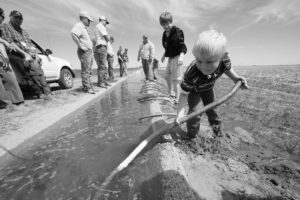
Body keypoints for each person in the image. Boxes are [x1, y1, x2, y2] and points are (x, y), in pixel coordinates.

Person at [175, 29, 248, 141]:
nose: (203, 67)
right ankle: (191, 137)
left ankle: (219, 135)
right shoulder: (192, 73)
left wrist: (235, 78)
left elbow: (226, 69)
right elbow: (184, 94)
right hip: (194, 92)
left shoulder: (225, 61)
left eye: (209, 62)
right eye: (199, 61)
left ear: (222, 56)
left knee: (213, 111)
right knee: (194, 114)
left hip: (208, 88)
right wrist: (180, 113)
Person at [0, 10, 50, 98]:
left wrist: (37, 55)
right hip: (15, 53)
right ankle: (39, 92)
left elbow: (30, 45)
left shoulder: (24, 32)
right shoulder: (5, 27)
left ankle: (47, 91)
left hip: (28, 54)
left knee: (38, 68)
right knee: (29, 71)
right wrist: (25, 54)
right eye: (16, 18)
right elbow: (10, 43)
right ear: (10, 17)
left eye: (20, 18)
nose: (18, 20)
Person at [159, 11, 187, 103]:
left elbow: (182, 45)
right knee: (167, 76)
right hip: (170, 58)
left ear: (171, 21)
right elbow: (167, 47)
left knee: (176, 79)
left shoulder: (177, 31)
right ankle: (171, 94)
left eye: (167, 23)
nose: (165, 26)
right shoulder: (164, 34)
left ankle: (177, 99)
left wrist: (181, 57)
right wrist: (163, 55)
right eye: (163, 24)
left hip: (177, 57)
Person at [0, 8, 25, 107]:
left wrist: (4, 42)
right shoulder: (4, 27)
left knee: (7, 73)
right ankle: (7, 102)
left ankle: (8, 102)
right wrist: (5, 55)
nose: (3, 19)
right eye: (3, 16)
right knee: (7, 72)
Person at [71, 11, 96, 94]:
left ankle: (90, 86)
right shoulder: (79, 26)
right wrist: (81, 46)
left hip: (89, 51)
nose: (90, 22)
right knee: (86, 70)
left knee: (89, 70)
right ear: (84, 18)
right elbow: (73, 34)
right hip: (84, 52)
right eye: (89, 20)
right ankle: (87, 88)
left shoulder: (84, 28)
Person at [94, 15, 111, 88]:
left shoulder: (99, 26)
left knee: (104, 65)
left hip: (102, 47)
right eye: (105, 22)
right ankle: (101, 83)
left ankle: (104, 81)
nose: (106, 24)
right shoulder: (100, 26)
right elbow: (107, 38)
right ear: (102, 20)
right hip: (101, 47)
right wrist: (108, 38)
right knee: (102, 65)